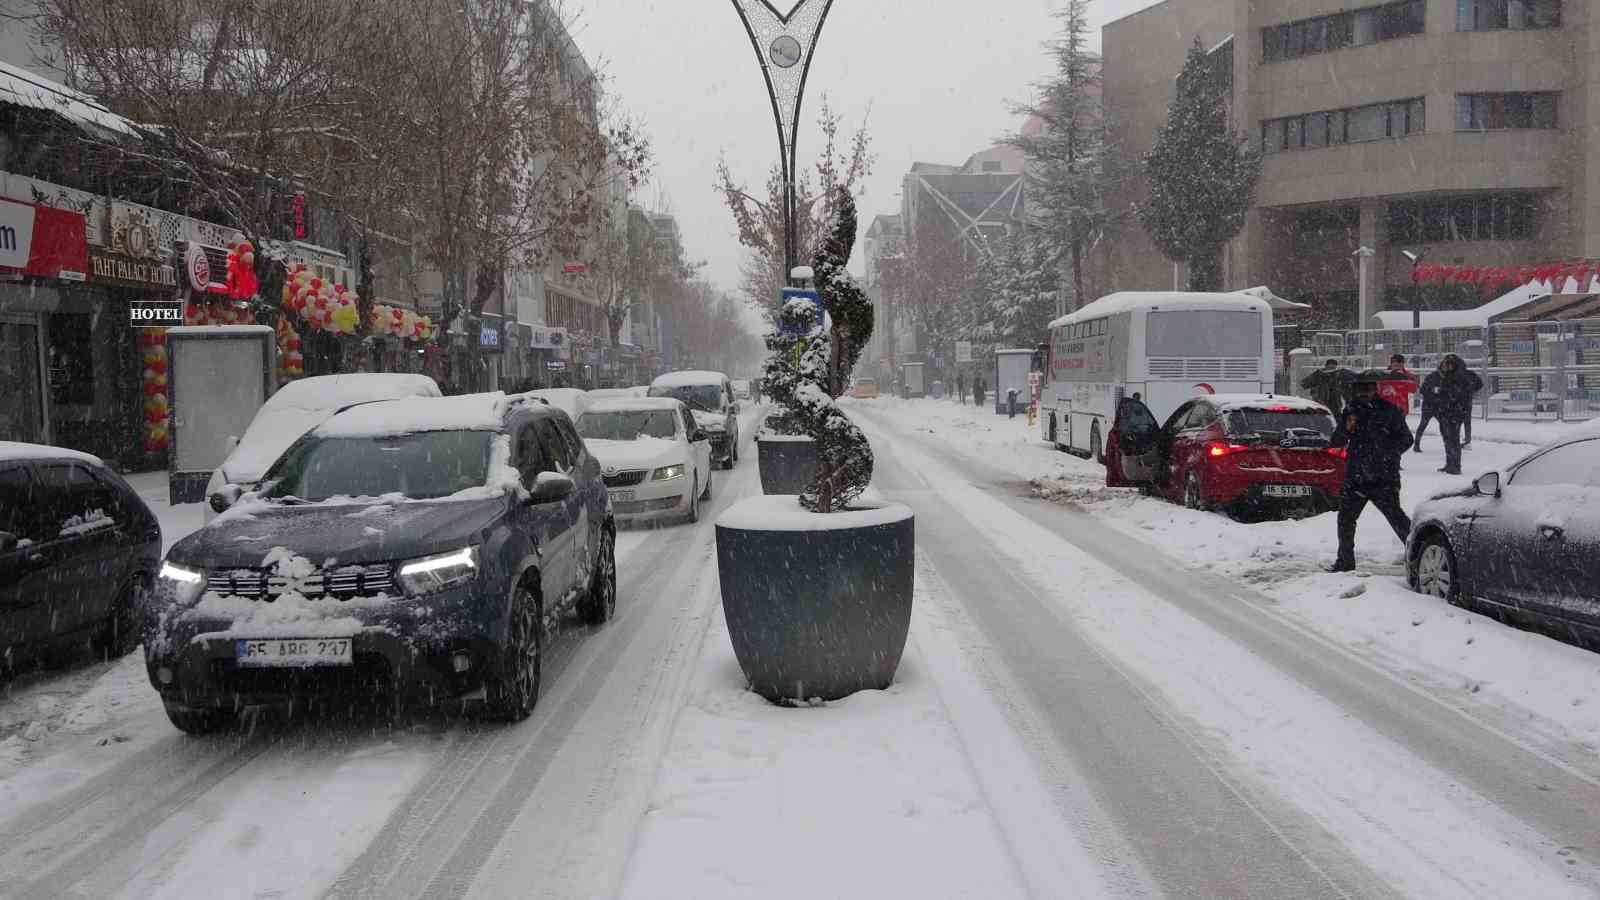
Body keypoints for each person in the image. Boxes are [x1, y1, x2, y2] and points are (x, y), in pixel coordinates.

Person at [1329, 371, 1414, 572]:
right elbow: (1337, 441)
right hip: (1356, 477)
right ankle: (1345, 562)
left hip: (1383, 477)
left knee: (1397, 518)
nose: (1364, 392)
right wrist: (1346, 428)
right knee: (1346, 520)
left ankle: (1418, 555)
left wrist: (1387, 455)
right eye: (1360, 389)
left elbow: (1406, 439)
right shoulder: (1350, 410)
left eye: (1368, 388)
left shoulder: (1389, 410)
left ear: (1375, 389)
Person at [1427, 353, 1483, 475]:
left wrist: (1446, 392)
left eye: (1450, 364)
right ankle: (1450, 463)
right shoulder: (1448, 376)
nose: (1447, 366)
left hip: (1454, 412)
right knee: (1447, 439)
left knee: (1453, 439)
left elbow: (1458, 392)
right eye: (1446, 364)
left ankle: (1455, 465)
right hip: (1446, 411)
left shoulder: (1460, 376)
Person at [1374, 353, 1418, 418]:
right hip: (1385, 409)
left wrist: (1403, 379)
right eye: (1393, 362)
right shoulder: (1384, 375)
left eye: (1399, 361)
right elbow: (1377, 390)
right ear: (1391, 363)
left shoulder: (1408, 376)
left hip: (1401, 409)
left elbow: (1414, 389)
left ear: (1403, 363)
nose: (1396, 364)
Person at [1413, 359, 1440, 453]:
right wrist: (1433, 391)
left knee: (1445, 426)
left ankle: (1449, 445)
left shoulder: (1447, 378)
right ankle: (1416, 444)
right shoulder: (1431, 377)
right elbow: (1423, 390)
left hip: (1438, 406)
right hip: (1429, 405)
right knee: (1423, 425)